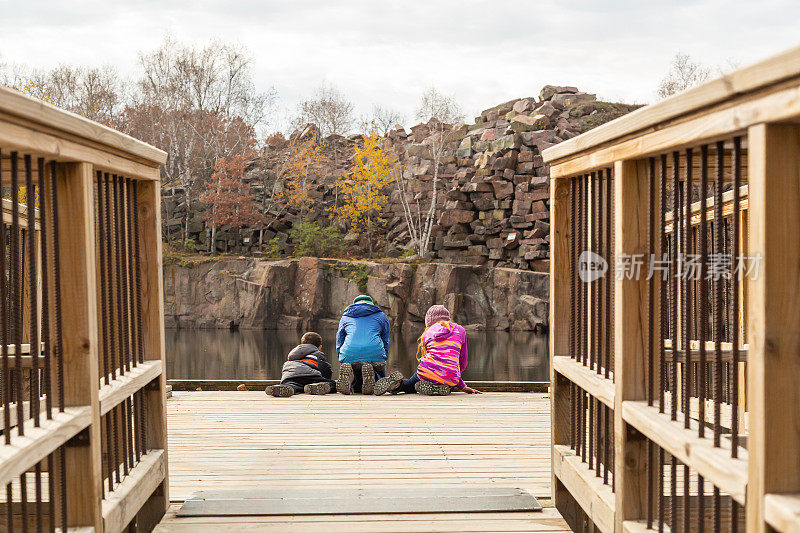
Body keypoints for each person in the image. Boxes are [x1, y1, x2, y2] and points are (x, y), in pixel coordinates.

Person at [374, 305, 482, 396]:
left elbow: (430, 357)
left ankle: (397, 384)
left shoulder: (428, 332)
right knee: (449, 385)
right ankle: (439, 389)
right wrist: (462, 385)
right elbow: (462, 362)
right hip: (450, 375)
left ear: (429, 321)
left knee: (410, 386)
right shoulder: (460, 330)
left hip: (427, 371)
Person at [335, 295, 390, 395]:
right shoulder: (381, 315)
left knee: (353, 366)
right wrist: (384, 356)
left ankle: (350, 381)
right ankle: (377, 380)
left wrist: (341, 356)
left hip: (349, 353)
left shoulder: (345, 316)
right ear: (371, 304)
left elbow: (339, 339)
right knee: (379, 371)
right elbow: (385, 339)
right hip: (375, 353)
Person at [265, 331, 336, 397]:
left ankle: (285, 388)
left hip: (290, 376)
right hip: (311, 376)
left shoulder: (293, 354)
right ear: (320, 347)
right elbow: (324, 370)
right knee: (333, 384)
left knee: (294, 385)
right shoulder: (317, 354)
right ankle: (314, 387)